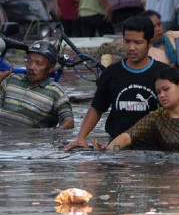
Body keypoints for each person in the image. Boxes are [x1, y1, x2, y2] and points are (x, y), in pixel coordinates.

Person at [63, 16, 171, 150]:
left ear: (149, 43)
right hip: (116, 145)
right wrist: (81, 137)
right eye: (127, 42)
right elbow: (97, 108)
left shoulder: (164, 73)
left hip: (153, 146)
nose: (131, 47)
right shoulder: (112, 73)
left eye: (137, 42)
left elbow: (177, 109)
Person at [93, 67, 179, 152]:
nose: (162, 95)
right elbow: (127, 137)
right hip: (170, 173)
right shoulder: (156, 118)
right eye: (158, 92)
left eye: (166, 89)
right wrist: (110, 150)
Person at [0, 40, 74, 129]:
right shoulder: (12, 80)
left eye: (38, 63)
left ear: (51, 68)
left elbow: (69, 122)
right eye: (28, 61)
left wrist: (52, 135)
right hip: (3, 139)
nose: (31, 67)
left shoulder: (56, 92)